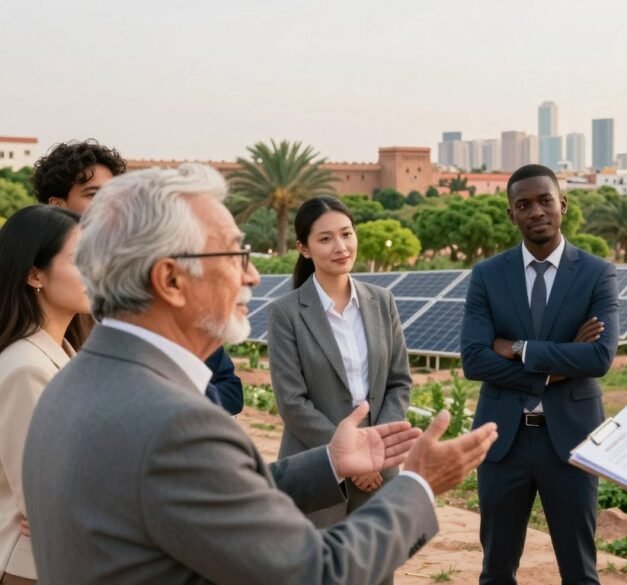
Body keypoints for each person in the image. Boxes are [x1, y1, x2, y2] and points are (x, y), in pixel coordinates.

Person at [22, 163, 499, 585]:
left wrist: (329, 462)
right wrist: (417, 486)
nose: (252, 277)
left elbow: (205, 496)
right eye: (234, 255)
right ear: (170, 280)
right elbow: (317, 573)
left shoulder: (74, 380)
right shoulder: (176, 423)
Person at [461, 164, 620, 585]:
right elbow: (474, 359)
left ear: (562, 204)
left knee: (580, 573)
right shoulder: (487, 276)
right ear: (511, 215)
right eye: (523, 204)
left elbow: (600, 357)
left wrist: (518, 349)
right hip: (502, 443)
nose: (536, 211)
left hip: (571, 442)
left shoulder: (596, 273)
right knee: (495, 571)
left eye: (545, 200)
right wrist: (553, 370)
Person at [33, 139, 244, 413]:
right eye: (93, 194)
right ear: (57, 204)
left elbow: (228, 387)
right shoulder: (40, 303)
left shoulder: (150, 279)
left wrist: (165, 406)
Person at [267, 197, 411, 556]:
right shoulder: (286, 313)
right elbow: (292, 402)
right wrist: (346, 454)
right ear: (303, 248)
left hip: (380, 471)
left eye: (346, 234)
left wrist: (375, 453)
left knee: (376, 572)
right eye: (326, 239)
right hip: (318, 468)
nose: (341, 247)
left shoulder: (382, 302)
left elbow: (398, 382)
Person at [0, 206, 90, 585]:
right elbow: (45, 499)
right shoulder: (26, 368)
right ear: (35, 274)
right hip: (32, 567)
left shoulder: (65, 353)